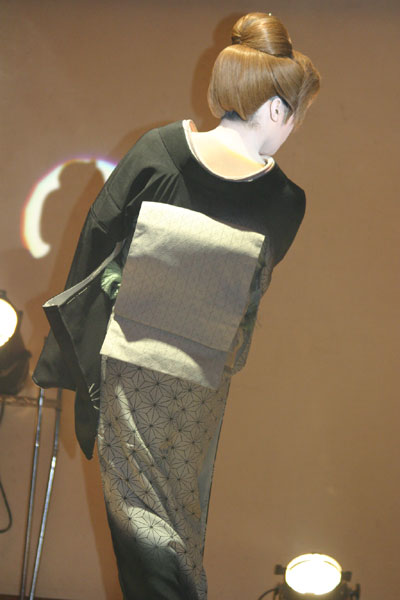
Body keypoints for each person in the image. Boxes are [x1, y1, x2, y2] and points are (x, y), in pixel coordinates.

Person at [34, 11, 320, 600]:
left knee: (144, 528)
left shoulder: (158, 152)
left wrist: (79, 362)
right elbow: (249, 296)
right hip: (198, 383)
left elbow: (95, 247)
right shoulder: (285, 202)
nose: (293, 128)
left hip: (131, 372)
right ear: (275, 109)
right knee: (176, 528)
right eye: (296, 115)